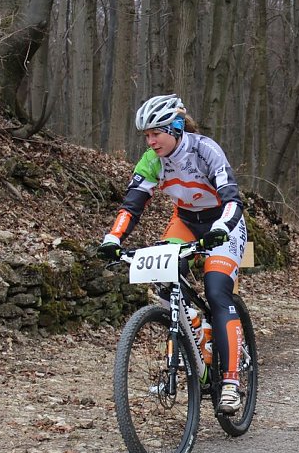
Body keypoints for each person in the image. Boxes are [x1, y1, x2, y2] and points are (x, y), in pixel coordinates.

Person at [97, 94, 248, 414]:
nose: (150, 141)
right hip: (185, 222)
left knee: (217, 290)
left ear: (176, 127)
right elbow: (132, 205)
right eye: (146, 135)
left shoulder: (205, 150)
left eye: (156, 133)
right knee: (163, 280)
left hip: (224, 222)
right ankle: (194, 343)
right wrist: (113, 238)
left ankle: (232, 381)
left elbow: (233, 199)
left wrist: (221, 228)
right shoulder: (151, 161)